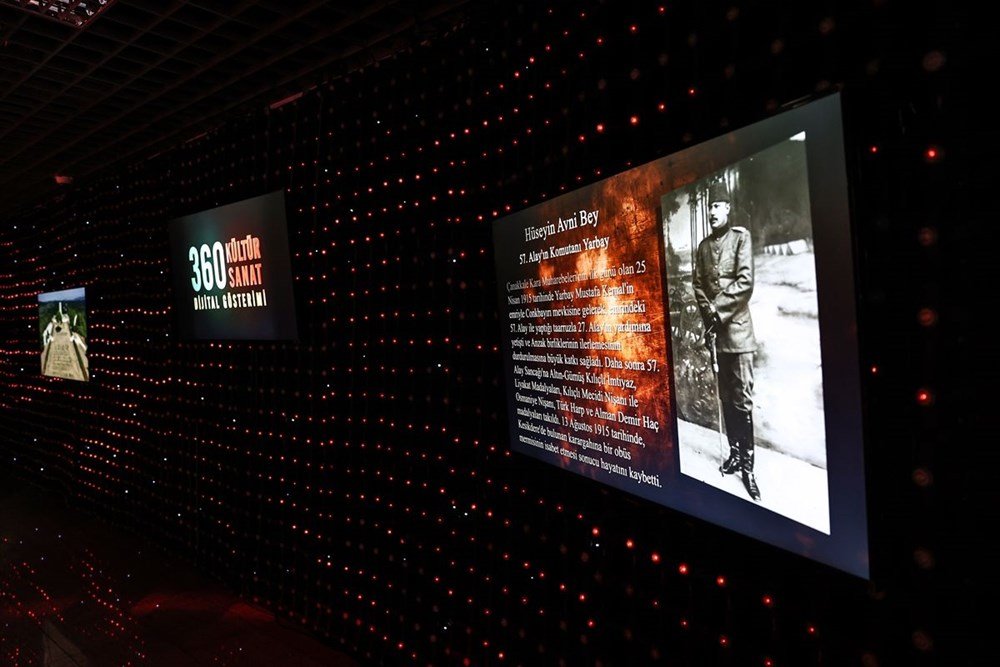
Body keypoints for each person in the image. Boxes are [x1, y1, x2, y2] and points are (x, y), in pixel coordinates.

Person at [693, 180, 760, 501]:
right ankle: (735, 453)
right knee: (725, 397)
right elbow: (698, 285)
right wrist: (708, 314)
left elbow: (746, 282)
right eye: (709, 206)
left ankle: (748, 468)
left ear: (728, 208)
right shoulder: (704, 247)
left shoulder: (741, 238)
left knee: (741, 400)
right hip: (716, 335)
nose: (712, 212)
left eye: (717, 206)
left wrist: (716, 311)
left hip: (739, 334)